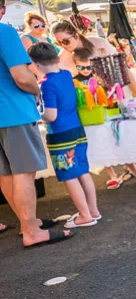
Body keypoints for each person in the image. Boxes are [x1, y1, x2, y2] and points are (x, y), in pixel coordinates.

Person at [0, 0, 73, 248]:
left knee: (6, 174)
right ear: (3, 9)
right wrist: (37, 87)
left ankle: (26, 224)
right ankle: (31, 232)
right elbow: (22, 77)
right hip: (13, 112)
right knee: (23, 173)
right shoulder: (5, 32)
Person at [51, 20, 136, 189]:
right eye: (58, 42)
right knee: (100, 136)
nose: (63, 46)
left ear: (76, 34)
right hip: (91, 103)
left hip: (117, 94)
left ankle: (134, 170)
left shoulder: (98, 44)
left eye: (65, 41)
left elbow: (123, 69)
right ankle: (112, 174)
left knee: (120, 133)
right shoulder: (63, 58)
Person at [30, 42, 101, 229]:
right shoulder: (66, 75)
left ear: (35, 64)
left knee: (69, 175)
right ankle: (92, 210)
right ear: (57, 58)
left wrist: (36, 112)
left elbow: (51, 115)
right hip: (77, 130)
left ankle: (85, 216)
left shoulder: (46, 84)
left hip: (60, 135)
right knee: (82, 171)